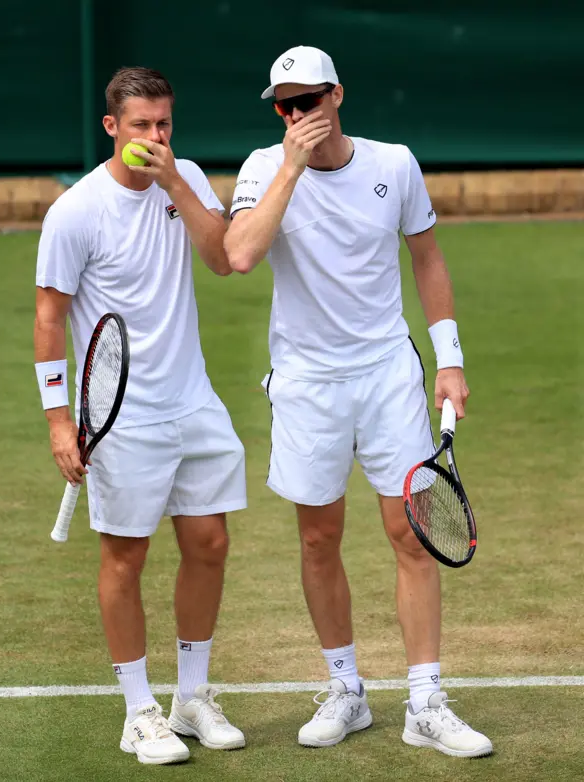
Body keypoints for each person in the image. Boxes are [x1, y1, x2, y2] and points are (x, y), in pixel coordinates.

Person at [224, 46, 492, 758]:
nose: (298, 114)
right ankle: (346, 690)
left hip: (387, 376)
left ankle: (426, 701)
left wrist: (451, 360)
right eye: (285, 104)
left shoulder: (394, 164)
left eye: (309, 100)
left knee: (410, 535)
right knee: (319, 538)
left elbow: (427, 258)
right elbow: (241, 254)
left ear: (337, 95)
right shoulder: (261, 167)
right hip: (307, 383)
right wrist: (288, 164)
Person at [34, 66, 246, 765]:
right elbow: (49, 316)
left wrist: (178, 183)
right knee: (126, 558)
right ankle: (138, 711)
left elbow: (223, 260)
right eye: (141, 127)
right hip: (120, 417)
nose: (155, 138)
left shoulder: (181, 178)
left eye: (164, 125)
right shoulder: (75, 212)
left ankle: (191, 697)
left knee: (209, 544)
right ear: (111, 129)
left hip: (195, 403)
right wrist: (61, 421)